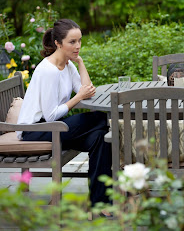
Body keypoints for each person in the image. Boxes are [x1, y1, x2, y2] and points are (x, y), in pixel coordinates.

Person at [17, 19, 112, 208]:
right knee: (102, 118)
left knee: (100, 137)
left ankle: (100, 204)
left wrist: (80, 62)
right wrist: (78, 98)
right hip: (35, 130)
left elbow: (86, 90)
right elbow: (51, 115)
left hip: (55, 126)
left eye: (79, 41)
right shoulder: (48, 71)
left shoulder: (68, 65)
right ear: (58, 43)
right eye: (72, 42)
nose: (77, 46)